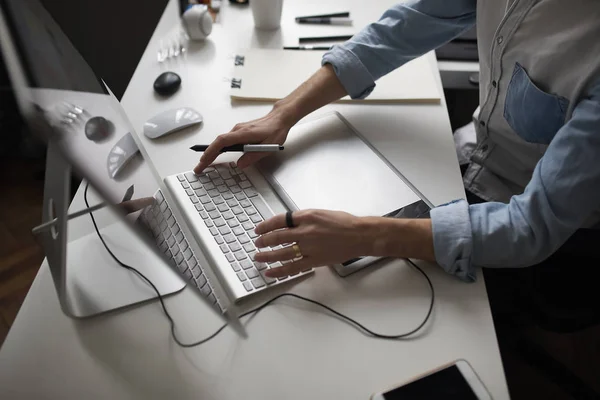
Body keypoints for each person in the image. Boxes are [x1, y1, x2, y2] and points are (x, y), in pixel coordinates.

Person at [194, 0, 600, 285]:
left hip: (538, 231)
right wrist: (282, 113)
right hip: (469, 155)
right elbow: (412, 23)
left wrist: (363, 236)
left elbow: (533, 226)